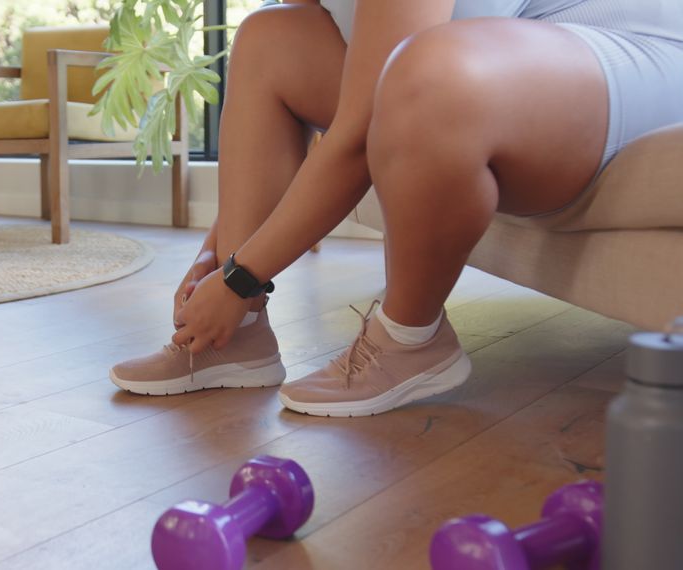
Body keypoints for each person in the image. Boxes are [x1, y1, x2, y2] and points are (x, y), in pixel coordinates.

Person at [109, 0, 683, 417]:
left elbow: (359, 130)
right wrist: (224, 257)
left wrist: (238, 277)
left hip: (629, 53)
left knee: (427, 71)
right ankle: (236, 341)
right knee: (267, 38)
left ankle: (412, 339)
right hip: (512, 47)